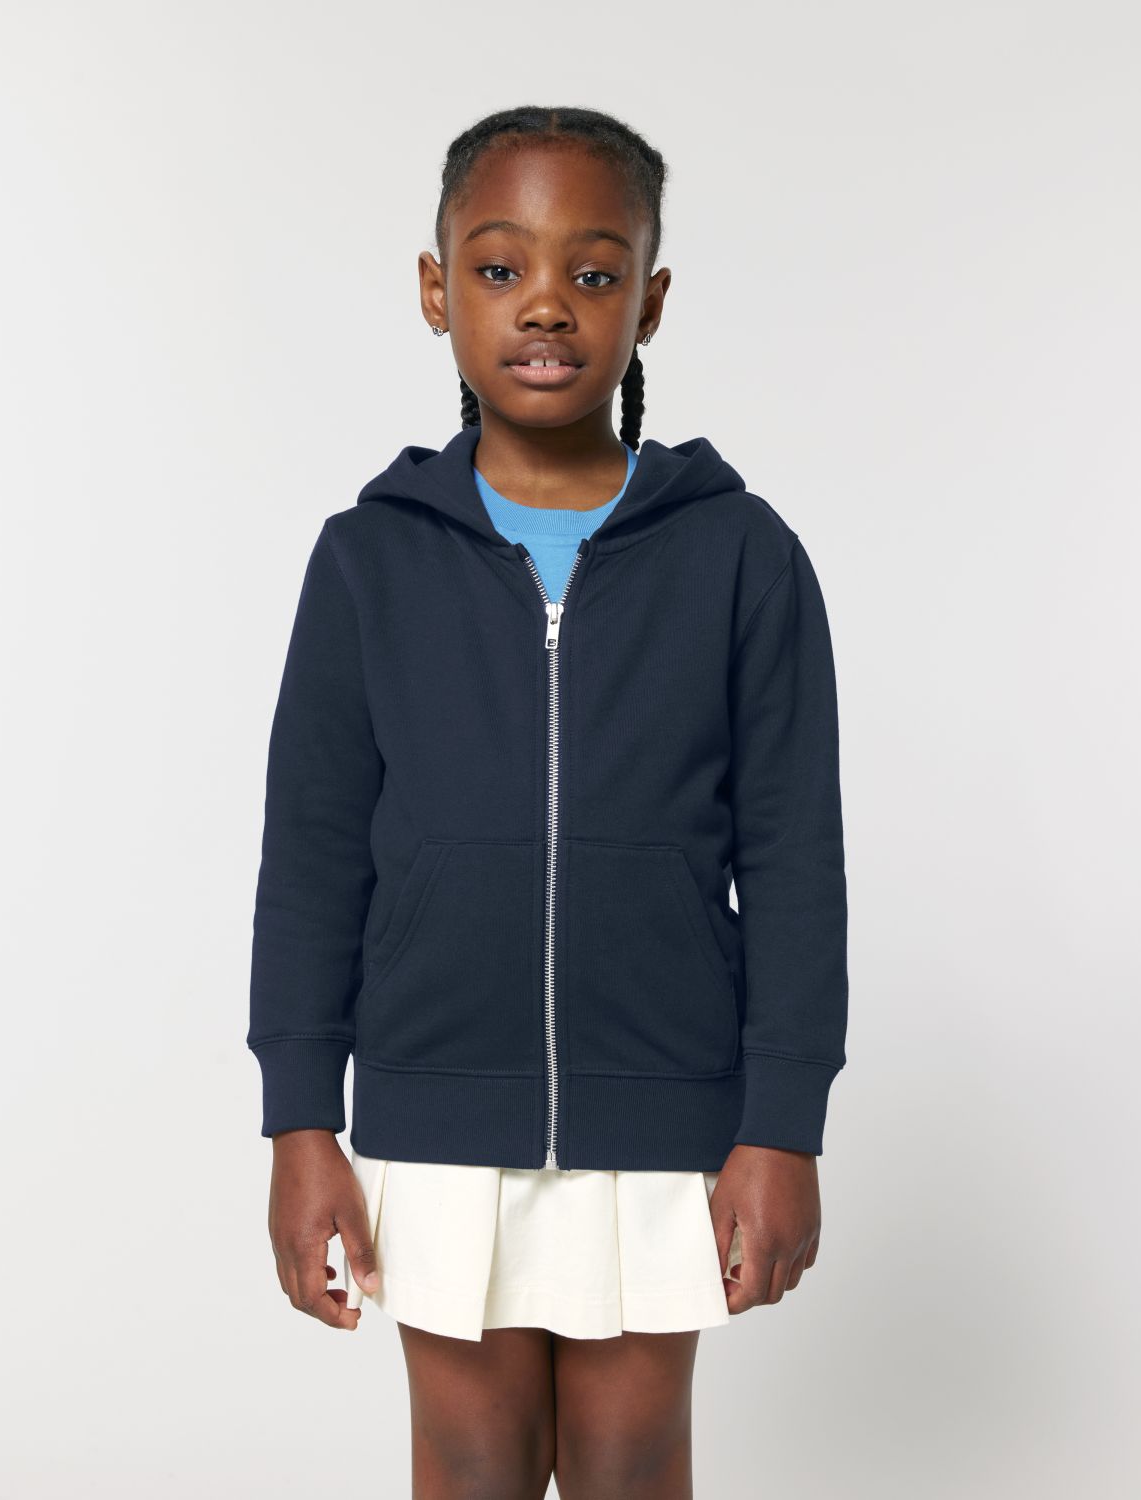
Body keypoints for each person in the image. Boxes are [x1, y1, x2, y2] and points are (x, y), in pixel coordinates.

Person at [247, 104, 849, 1499]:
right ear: (436, 288)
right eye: (500, 266)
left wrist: (782, 1123)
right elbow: (313, 856)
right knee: (472, 1465)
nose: (545, 306)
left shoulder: (741, 555)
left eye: (592, 272)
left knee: (632, 1464)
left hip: (664, 1111)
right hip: (437, 1107)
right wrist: (299, 1121)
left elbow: (794, 859)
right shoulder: (369, 560)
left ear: (651, 301)